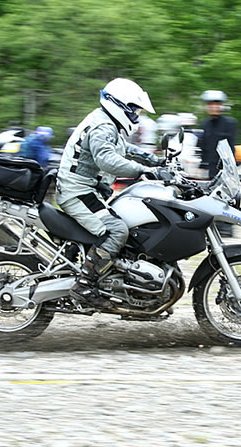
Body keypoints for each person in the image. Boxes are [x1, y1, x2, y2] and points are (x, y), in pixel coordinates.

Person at [56, 78, 166, 309]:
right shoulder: (103, 126)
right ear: (120, 105)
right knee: (116, 230)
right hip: (77, 191)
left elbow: (123, 148)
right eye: (134, 109)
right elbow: (106, 159)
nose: (136, 115)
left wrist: (153, 160)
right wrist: (145, 170)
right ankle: (84, 285)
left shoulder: (106, 122)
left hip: (87, 189)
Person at [198, 90, 238, 237]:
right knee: (212, 196)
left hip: (225, 166)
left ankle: (228, 227)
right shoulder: (205, 124)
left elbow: (231, 145)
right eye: (211, 104)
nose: (214, 107)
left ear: (221, 106)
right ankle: (215, 225)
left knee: (227, 197)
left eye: (217, 104)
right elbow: (203, 145)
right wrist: (202, 165)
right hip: (210, 166)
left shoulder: (230, 124)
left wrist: (229, 166)